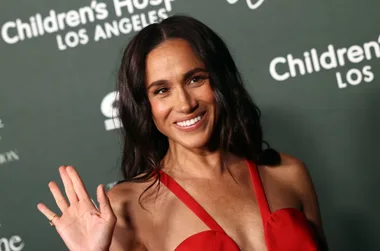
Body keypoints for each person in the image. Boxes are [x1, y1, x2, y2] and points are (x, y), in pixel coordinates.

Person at [37, 15, 329, 251]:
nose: (185, 104)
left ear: (220, 82)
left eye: (195, 79)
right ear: (145, 105)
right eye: (162, 90)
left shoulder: (289, 174)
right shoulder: (126, 206)